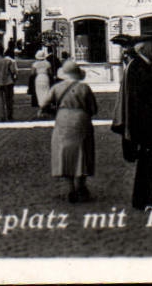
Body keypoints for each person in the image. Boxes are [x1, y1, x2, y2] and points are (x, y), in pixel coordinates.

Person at [112, 33, 152, 210]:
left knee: (150, 163)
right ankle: (144, 199)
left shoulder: (144, 65)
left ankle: (146, 197)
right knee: (147, 164)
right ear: (145, 49)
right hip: (149, 126)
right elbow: (140, 102)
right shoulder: (139, 67)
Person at [42, 61, 97, 202]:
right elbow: (93, 108)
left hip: (63, 119)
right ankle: (81, 186)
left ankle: (70, 188)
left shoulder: (57, 87)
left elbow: (44, 104)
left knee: (64, 152)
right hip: (81, 119)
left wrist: (55, 110)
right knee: (83, 151)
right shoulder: (84, 88)